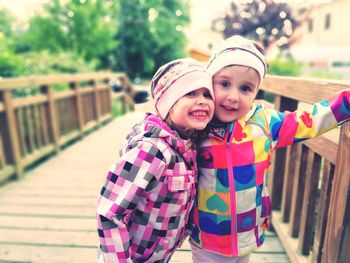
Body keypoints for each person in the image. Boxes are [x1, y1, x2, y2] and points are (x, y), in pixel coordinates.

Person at [189, 35, 350, 262]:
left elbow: (309, 121)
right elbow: (170, 120)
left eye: (245, 88)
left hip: (247, 232)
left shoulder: (264, 122)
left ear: (256, 93)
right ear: (209, 82)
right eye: (224, 84)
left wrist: (346, 102)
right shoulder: (197, 124)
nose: (233, 97)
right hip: (207, 237)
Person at [96, 57, 215, 262]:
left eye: (207, 94)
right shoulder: (151, 151)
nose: (202, 100)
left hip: (156, 254)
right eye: (190, 93)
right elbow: (110, 212)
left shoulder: (186, 144)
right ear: (167, 104)